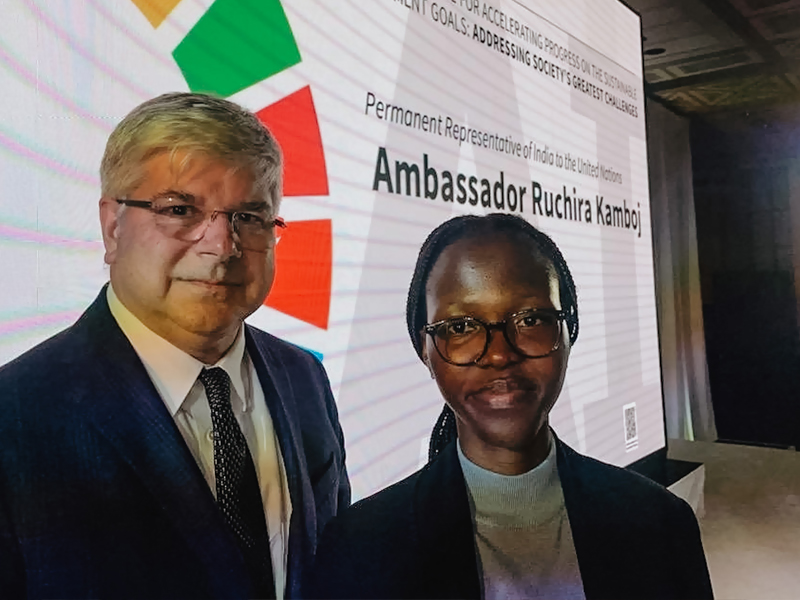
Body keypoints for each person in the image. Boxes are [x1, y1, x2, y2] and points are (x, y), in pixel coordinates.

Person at [0, 93, 349, 599]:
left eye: (249, 217)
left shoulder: (304, 379)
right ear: (113, 226)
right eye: (180, 209)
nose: (222, 245)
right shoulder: (15, 416)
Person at [306, 213, 713, 599]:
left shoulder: (660, 523)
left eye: (531, 319)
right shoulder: (360, 548)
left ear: (569, 331)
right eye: (460, 327)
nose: (499, 355)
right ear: (425, 351)